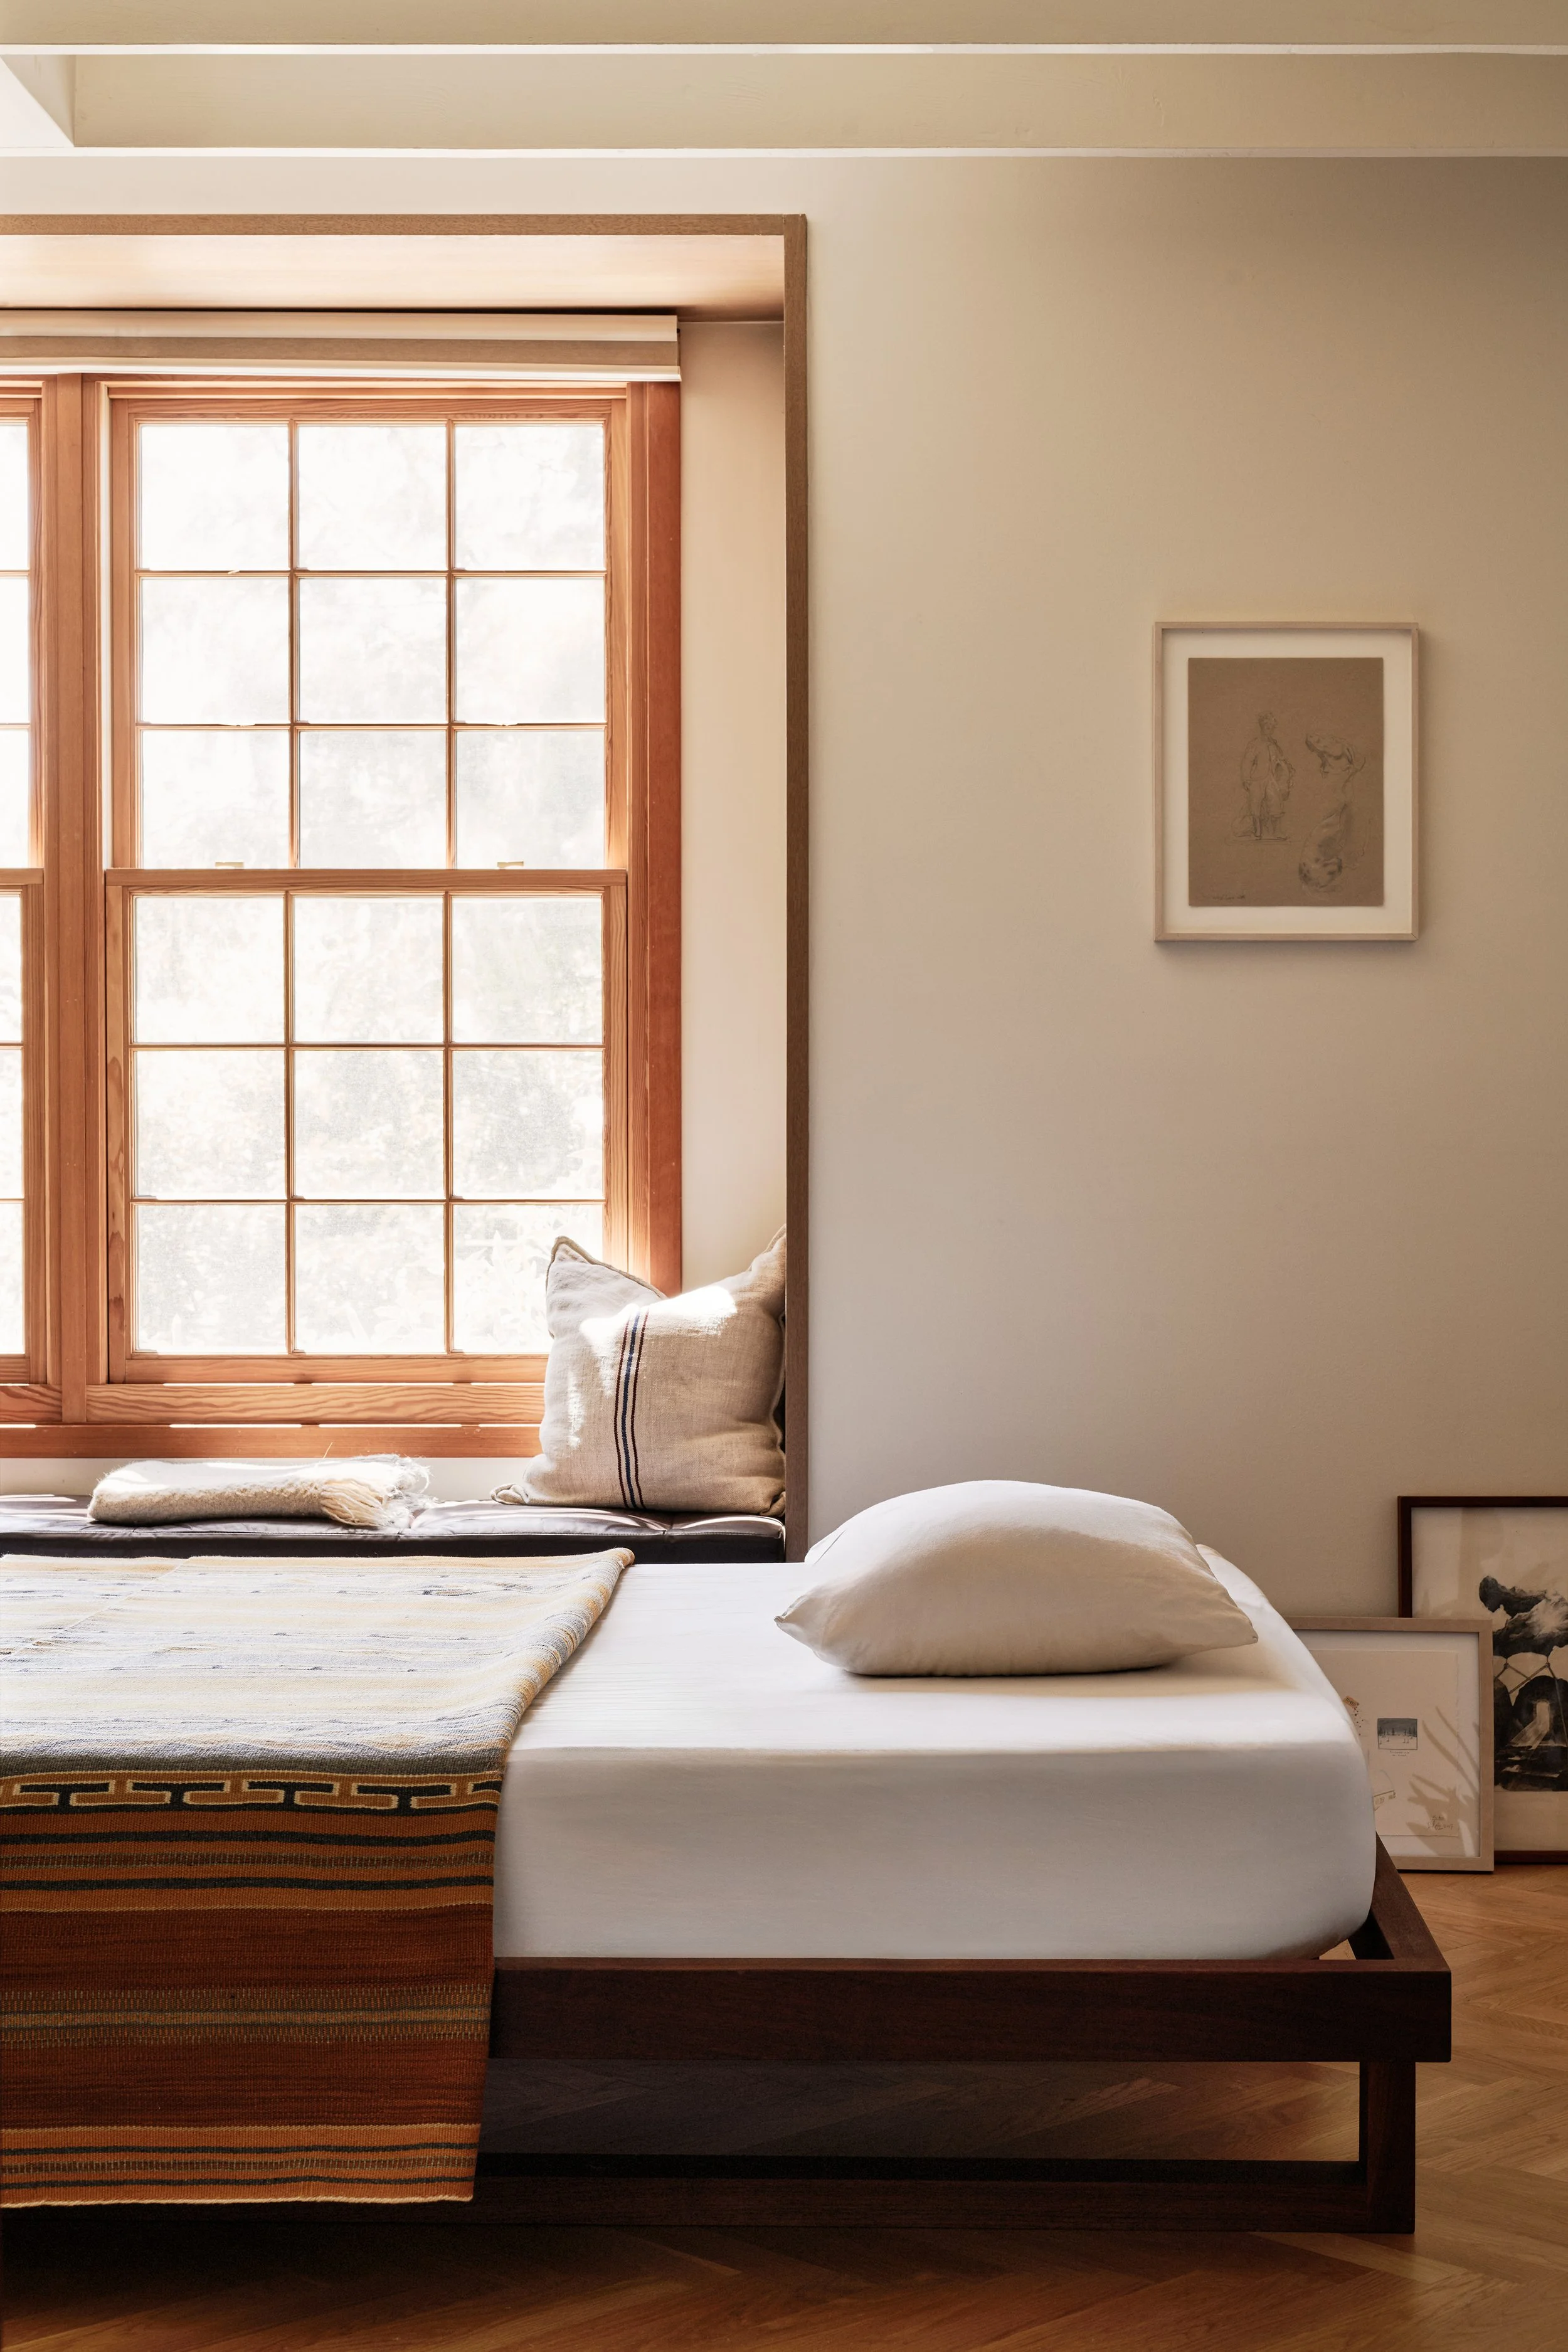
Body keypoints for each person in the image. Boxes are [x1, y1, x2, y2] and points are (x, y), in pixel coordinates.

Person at [1237, 711, 1293, 838]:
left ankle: (1277, 831)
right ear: (1262, 727)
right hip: (1257, 779)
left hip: (1271, 778)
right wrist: (1246, 779)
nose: (1270, 730)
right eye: (1267, 727)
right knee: (1255, 803)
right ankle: (1257, 830)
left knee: (1275, 802)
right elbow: (1247, 761)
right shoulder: (1255, 744)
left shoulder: (1274, 744)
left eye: (1272, 727)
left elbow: (1280, 759)